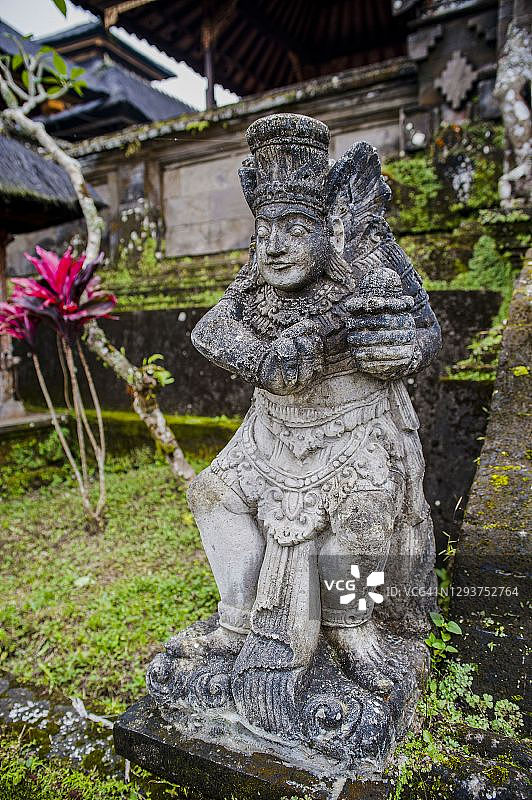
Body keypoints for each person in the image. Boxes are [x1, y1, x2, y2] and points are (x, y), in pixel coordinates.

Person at [185, 113, 441, 739]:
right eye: (264, 228)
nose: (273, 245)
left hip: (355, 433)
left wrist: (399, 347)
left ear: (329, 227)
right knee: (213, 494)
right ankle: (238, 613)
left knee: (361, 518)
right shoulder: (256, 285)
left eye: (294, 228)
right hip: (270, 434)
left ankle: (356, 628)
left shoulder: (365, 265)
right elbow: (209, 330)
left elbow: (422, 332)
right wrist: (269, 362)